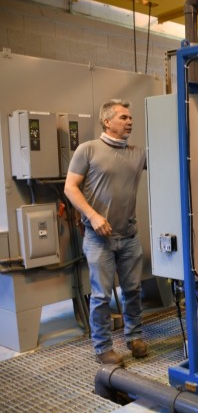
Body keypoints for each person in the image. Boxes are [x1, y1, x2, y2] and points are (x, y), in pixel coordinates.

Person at [64, 99, 148, 366]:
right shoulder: (88, 150)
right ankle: (102, 347)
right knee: (102, 295)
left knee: (133, 290)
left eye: (130, 118)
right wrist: (92, 215)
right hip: (99, 238)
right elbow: (70, 188)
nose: (129, 121)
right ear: (107, 121)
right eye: (123, 117)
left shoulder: (137, 153)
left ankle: (134, 336)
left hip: (129, 236)